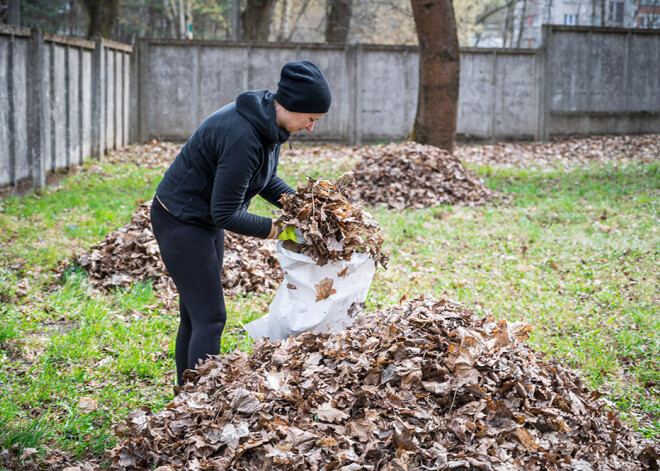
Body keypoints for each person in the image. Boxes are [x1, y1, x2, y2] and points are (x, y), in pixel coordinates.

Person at [150, 60, 331, 386]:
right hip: (181, 220)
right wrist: (282, 230)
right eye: (311, 119)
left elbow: (264, 178)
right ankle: (199, 406)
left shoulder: (268, 124)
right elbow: (227, 214)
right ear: (292, 106)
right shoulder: (242, 136)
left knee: (195, 314)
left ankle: (186, 395)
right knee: (210, 317)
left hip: (200, 218)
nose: (311, 127)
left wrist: (303, 207)